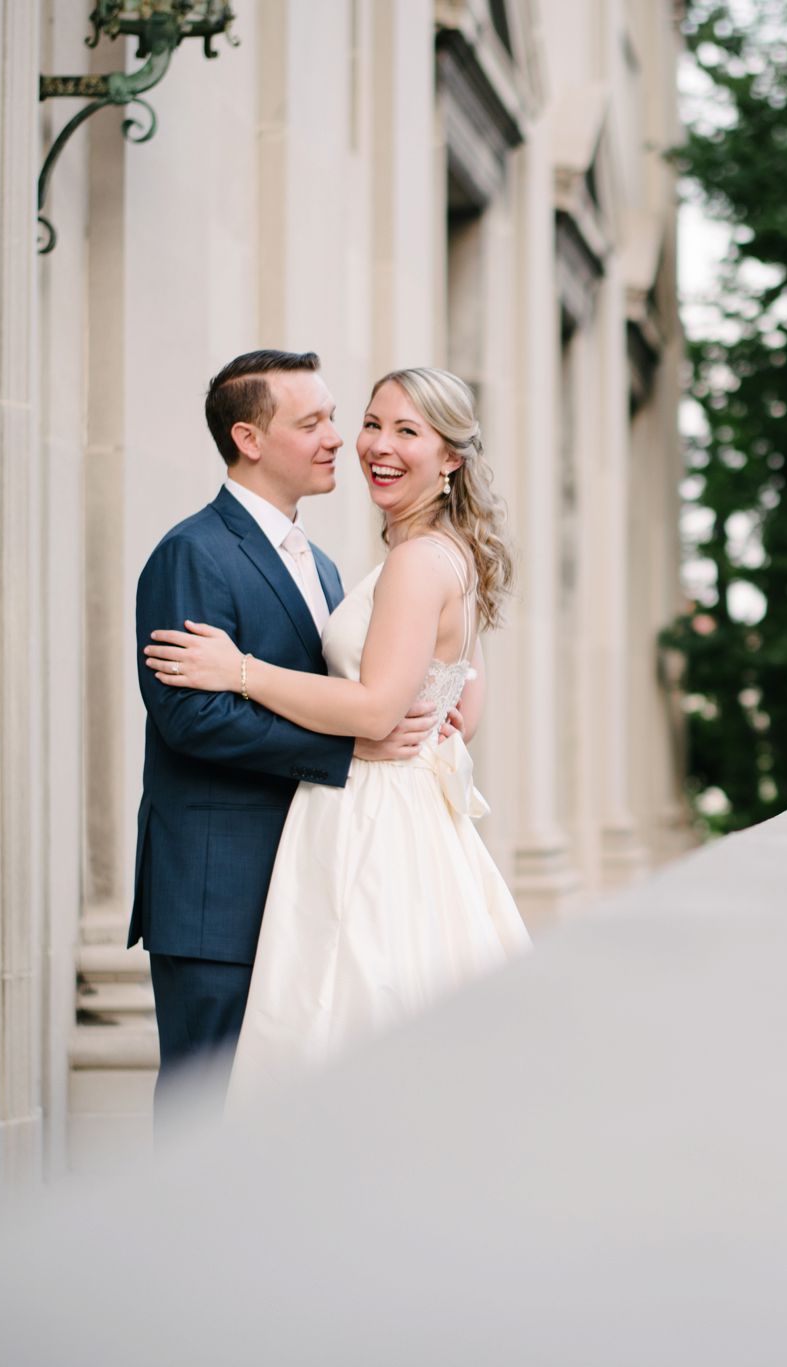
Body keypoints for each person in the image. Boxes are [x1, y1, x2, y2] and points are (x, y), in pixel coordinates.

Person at [144, 366, 529, 1103]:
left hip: (369, 832)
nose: (358, 442)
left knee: (338, 1042)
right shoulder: (196, 552)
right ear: (249, 438)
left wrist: (243, 670)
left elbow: (379, 709)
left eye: (404, 430)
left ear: (451, 456)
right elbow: (458, 712)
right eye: (365, 423)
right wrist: (386, 725)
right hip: (233, 876)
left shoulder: (393, 563)